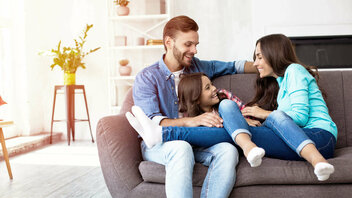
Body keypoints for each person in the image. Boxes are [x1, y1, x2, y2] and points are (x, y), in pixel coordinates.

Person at [127, 34, 337, 182]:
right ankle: (164, 133)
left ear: (274, 55)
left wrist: (263, 114)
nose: (255, 63)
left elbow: (298, 118)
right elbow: (235, 68)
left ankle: (164, 133)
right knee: (232, 123)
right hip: (294, 141)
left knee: (270, 119)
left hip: (319, 138)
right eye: (255, 57)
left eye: (260, 57)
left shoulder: (295, 71)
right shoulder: (281, 83)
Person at [131, 15, 256, 198]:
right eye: (188, 44)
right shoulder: (147, 78)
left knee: (228, 150)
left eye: (196, 44)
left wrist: (271, 65)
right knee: (181, 148)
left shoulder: (197, 67)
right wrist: (195, 121)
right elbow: (155, 124)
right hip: (160, 144)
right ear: (169, 42)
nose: (194, 50)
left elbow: (233, 66)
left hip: (195, 143)